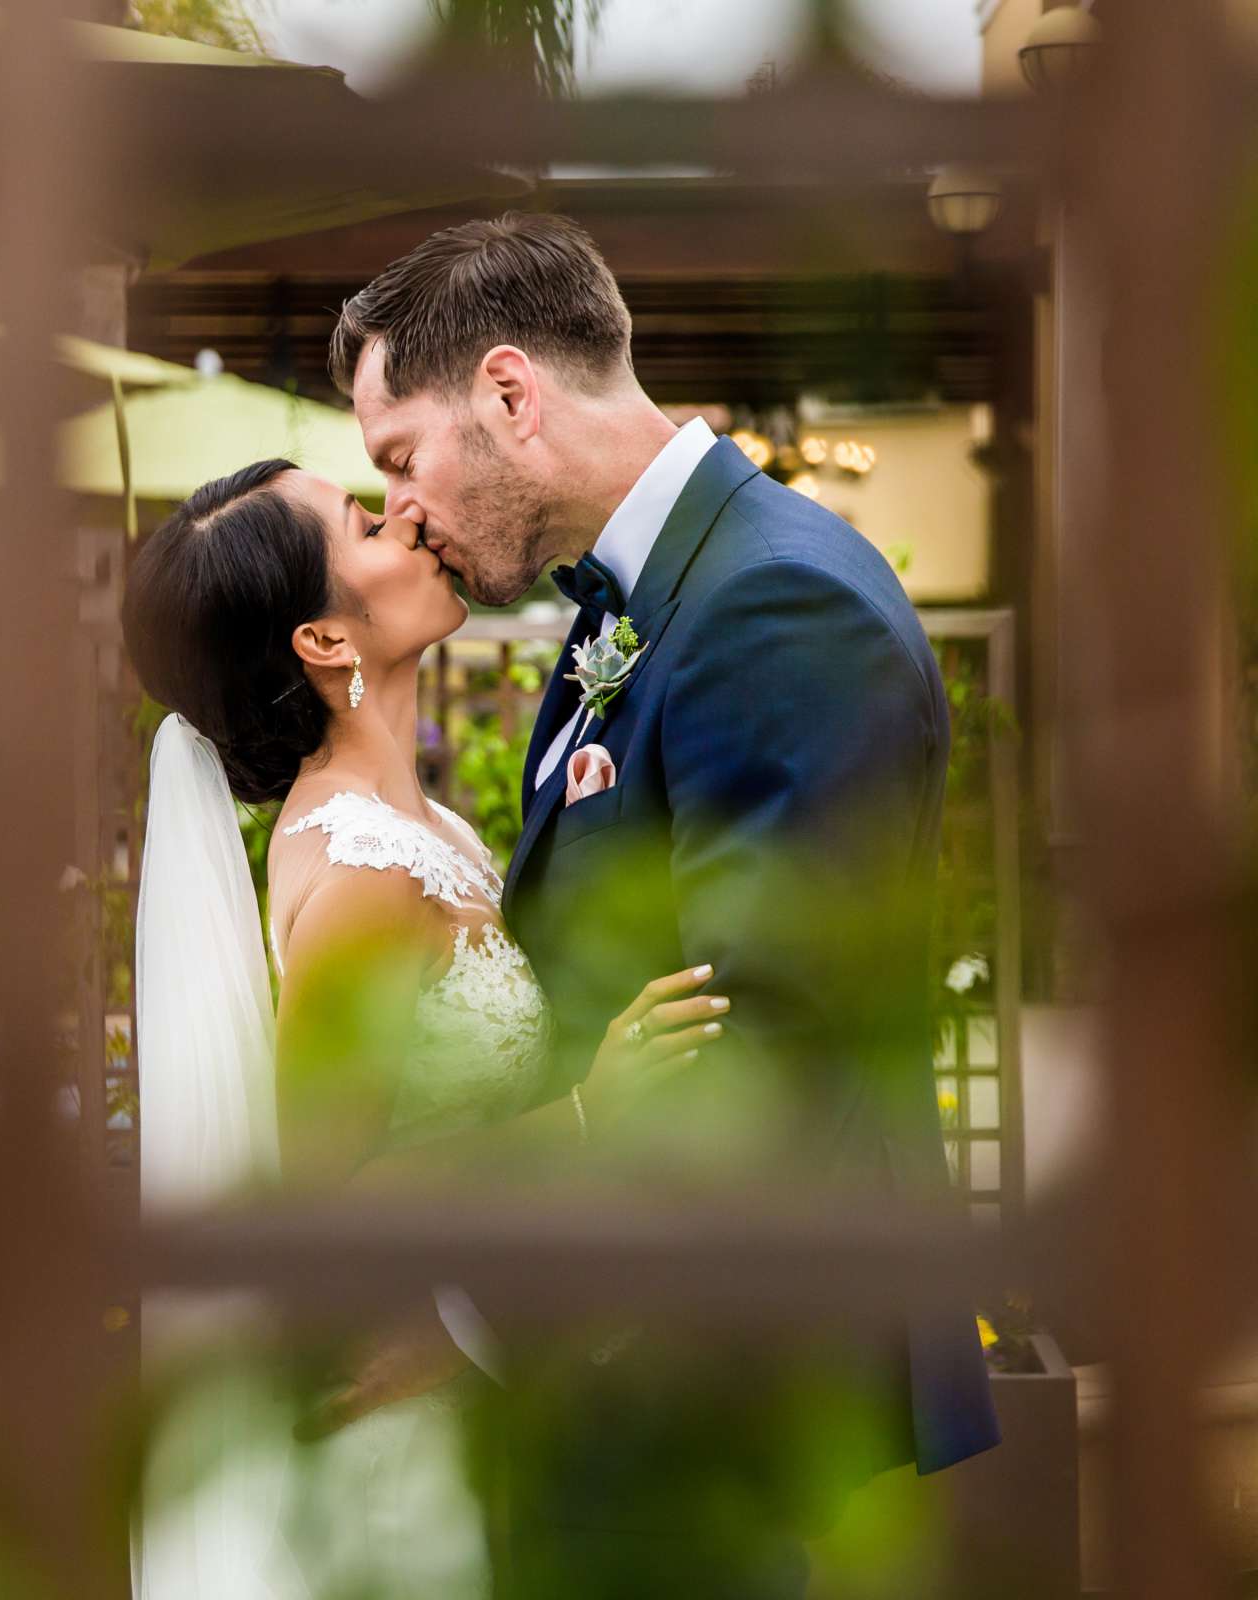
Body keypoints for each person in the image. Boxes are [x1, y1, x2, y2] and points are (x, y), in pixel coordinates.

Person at [324, 211, 1000, 1597]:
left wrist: (472, 1323)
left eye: (401, 457)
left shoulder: (773, 606)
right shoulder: (642, 599)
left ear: (508, 395)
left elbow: (759, 1061)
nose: (404, 511)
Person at [124, 458, 722, 1599]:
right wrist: (586, 1111)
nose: (405, 513)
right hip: (392, 1442)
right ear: (324, 641)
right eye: (362, 521)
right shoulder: (358, 868)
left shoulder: (426, 825)